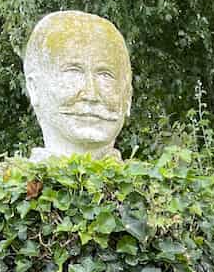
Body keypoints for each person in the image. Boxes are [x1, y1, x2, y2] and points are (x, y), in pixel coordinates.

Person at [23, 11, 132, 160]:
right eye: (74, 72)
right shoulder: (6, 175)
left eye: (105, 75)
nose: (91, 94)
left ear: (128, 97)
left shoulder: (155, 175)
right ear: (34, 88)